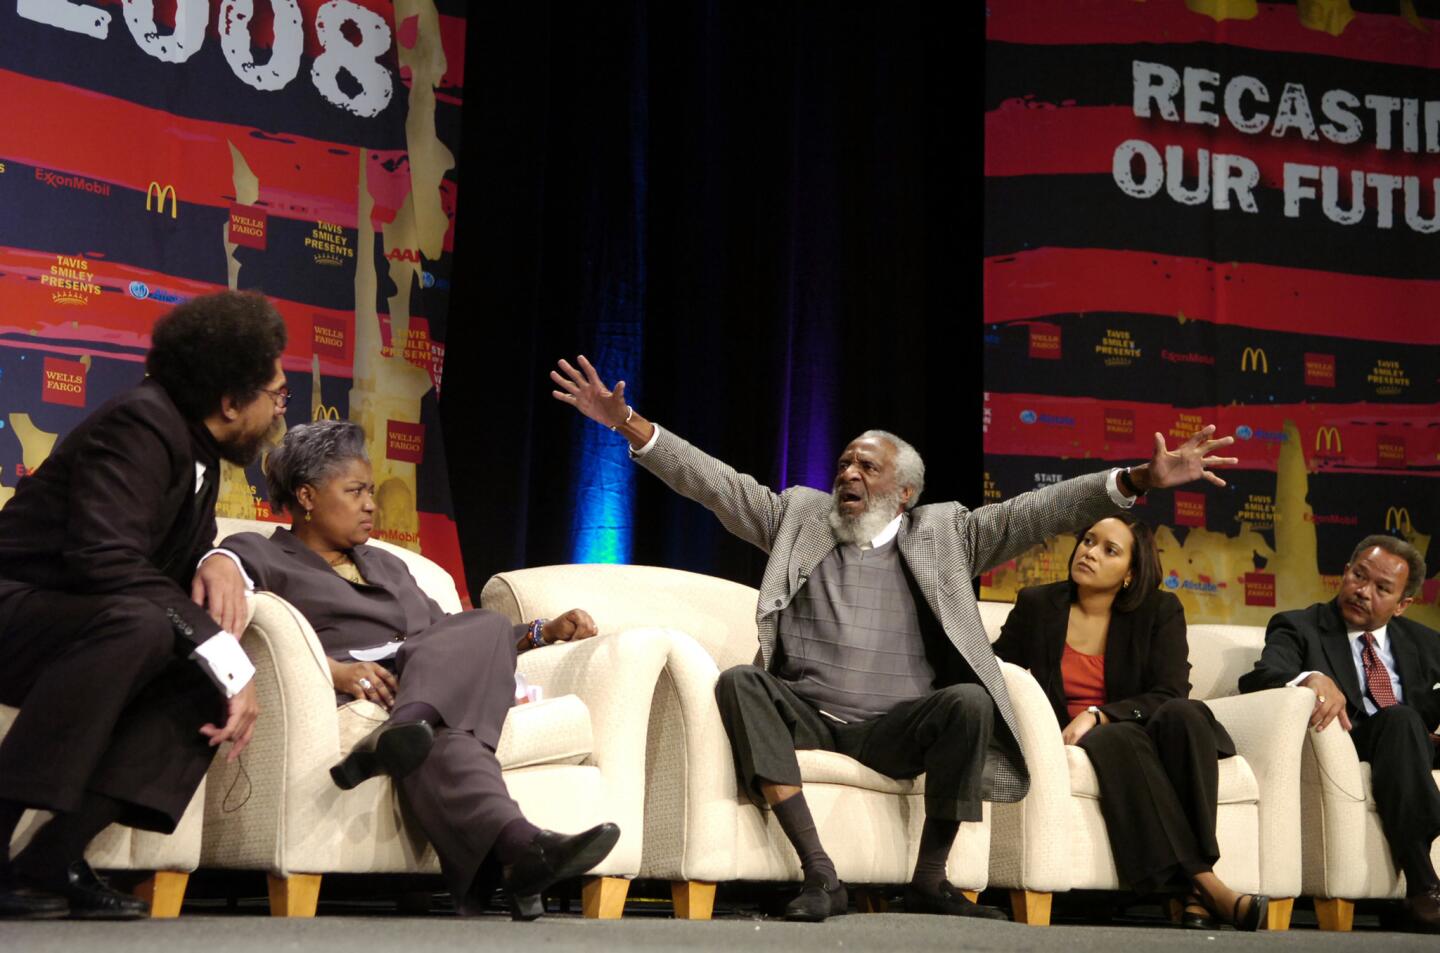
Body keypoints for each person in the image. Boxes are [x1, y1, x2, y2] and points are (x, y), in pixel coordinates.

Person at [551, 354, 1237, 922]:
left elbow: (1042, 510)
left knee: (970, 701)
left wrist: (1139, 478)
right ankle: (819, 871)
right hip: (809, 714)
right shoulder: (798, 516)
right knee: (738, 682)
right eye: (846, 462)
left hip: (897, 728)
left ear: (903, 492)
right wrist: (630, 426)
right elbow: (715, 485)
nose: (848, 472)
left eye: (867, 467)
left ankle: (931, 878)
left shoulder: (946, 533)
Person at [216, 420, 620, 920]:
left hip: (418, 685)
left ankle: (430, 750)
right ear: (307, 497)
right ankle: (516, 844)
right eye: (355, 491)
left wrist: (540, 632)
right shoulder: (262, 552)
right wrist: (332, 670)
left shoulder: (389, 565)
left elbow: (453, 634)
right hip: (367, 685)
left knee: (482, 637)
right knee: (458, 706)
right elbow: (227, 597)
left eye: (371, 491)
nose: (371, 503)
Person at [0, 291, 286, 919]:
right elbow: (106, 559)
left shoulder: (194, 448)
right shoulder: (141, 422)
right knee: (148, 627)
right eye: (276, 395)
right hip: (17, 607)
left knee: (196, 674)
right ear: (231, 401)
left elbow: (171, 550)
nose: (279, 410)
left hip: (76, 622)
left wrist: (213, 560)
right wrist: (228, 659)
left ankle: (53, 857)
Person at [993, 513, 1266, 930]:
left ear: (1130, 574)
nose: (1090, 553)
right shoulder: (1038, 605)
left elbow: (1170, 692)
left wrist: (1098, 714)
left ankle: (1195, 887)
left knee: (1186, 713)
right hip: (1091, 741)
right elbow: (997, 668)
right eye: (1088, 541)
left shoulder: (1159, 610)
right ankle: (1205, 888)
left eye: (1109, 550)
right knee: (1116, 740)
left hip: (1149, 727)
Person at [1240, 534, 1440, 934]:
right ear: (1345, 572)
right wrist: (1310, 677)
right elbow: (1260, 678)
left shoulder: (1425, 643)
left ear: (1403, 605)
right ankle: (1423, 884)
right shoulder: (1299, 626)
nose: (1363, 592)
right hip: (1351, 745)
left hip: (1418, 745)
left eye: (1382, 588)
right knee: (1399, 721)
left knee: (1406, 724)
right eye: (1358, 576)